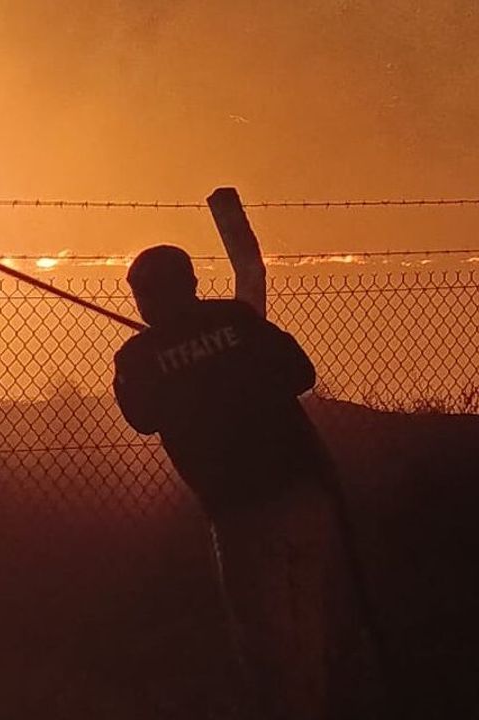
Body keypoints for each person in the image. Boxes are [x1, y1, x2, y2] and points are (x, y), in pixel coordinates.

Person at [112, 245, 384, 720]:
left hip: (240, 510)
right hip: (304, 488)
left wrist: (174, 363)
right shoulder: (236, 320)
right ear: (192, 284)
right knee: (309, 625)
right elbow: (299, 372)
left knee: (267, 645)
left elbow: (142, 417)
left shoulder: (141, 356)